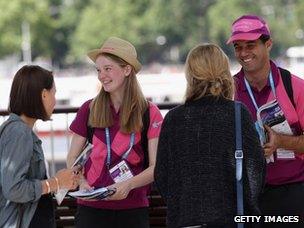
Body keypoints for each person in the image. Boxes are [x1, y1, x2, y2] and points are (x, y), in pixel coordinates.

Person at [154, 43, 265, 228]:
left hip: (185, 220)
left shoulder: (173, 118)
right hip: (231, 219)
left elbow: (162, 176)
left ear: (190, 74)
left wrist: (184, 208)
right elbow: (255, 172)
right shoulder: (238, 113)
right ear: (224, 71)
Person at [67, 37, 163, 228]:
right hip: (90, 209)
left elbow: (156, 168)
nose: (101, 75)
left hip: (132, 210)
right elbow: (72, 158)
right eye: (98, 70)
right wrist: (82, 182)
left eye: (108, 69)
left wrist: (128, 185)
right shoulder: (89, 108)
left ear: (127, 70)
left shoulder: (149, 112)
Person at [227, 14, 304, 225]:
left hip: (292, 192)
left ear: (268, 44)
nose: (243, 53)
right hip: (245, 195)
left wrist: (280, 142)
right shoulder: (227, 91)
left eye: (250, 45)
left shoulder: (295, 87)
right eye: (237, 46)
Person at [0, 65, 80, 228]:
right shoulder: (19, 133)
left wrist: (58, 181)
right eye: (54, 93)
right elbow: (14, 189)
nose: (55, 100)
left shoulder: (19, 130)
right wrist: (55, 182)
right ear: (44, 95)